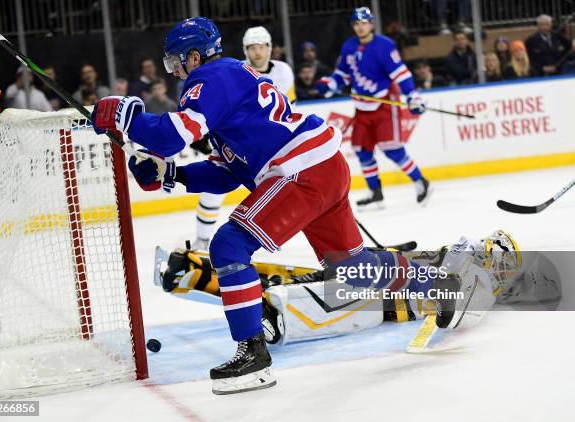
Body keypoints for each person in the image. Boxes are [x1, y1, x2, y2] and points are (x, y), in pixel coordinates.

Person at [91, 16, 467, 395]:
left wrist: (128, 116)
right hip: (320, 166)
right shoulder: (230, 81)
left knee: (228, 245)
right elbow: (226, 173)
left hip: (299, 171)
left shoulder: (211, 78)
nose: (175, 71)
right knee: (351, 269)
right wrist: (172, 174)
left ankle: (253, 355)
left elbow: (172, 135)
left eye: (176, 61)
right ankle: (436, 283)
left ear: (193, 56)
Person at [157, 230, 560, 345]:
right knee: (303, 285)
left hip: (384, 288)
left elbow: (451, 311)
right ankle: (197, 271)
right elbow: (449, 308)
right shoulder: (472, 266)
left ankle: (198, 273)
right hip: (382, 288)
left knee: (305, 286)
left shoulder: (473, 268)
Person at [190, 25, 297, 250]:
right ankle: (202, 240)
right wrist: (207, 133)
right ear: (245, 50)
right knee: (214, 188)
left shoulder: (283, 71)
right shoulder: (236, 71)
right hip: (235, 142)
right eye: (252, 47)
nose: (257, 52)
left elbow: (288, 109)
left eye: (261, 47)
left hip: (269, 146)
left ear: (270, 48)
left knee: (291, 187)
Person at [316, 7, 431, 209]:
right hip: (362, 107)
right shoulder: (349, 47)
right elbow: (342, 74)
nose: (361, 27)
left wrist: (412, 95)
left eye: (364, 23)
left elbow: (401, 74)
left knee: (392, 149)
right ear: (353, 26)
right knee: (362, 150)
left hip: (384, 104)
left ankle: (421, 181)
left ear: (371, 24)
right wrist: (331, 84)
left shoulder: (384, 46)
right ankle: (375, 192)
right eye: (357, 24)